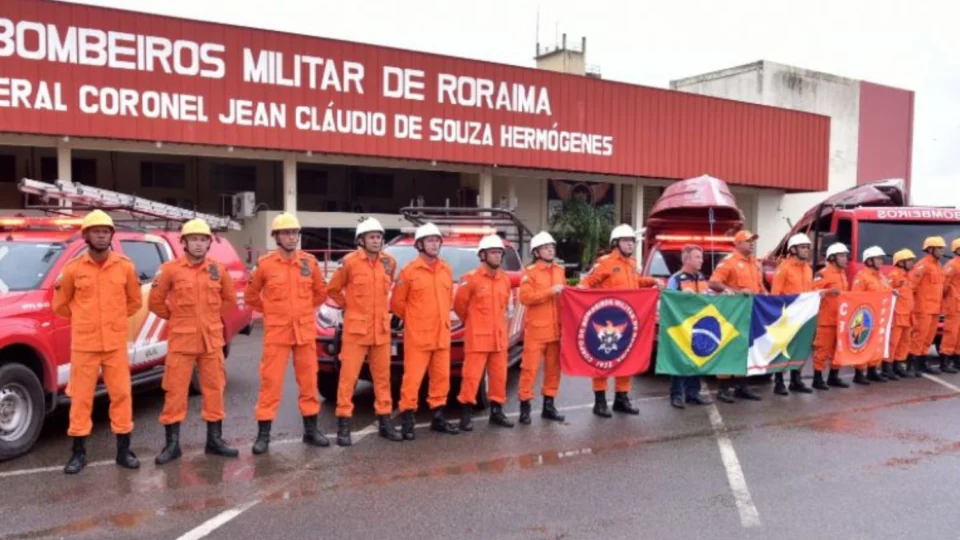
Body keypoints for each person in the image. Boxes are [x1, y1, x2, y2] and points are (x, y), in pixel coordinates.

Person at [53, 210, 143, 474]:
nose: (101, 236)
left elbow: (134, 302)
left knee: (122, 396)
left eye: (106, 232)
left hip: (115, 343)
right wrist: (85, 319)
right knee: (81, 398)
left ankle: (124, 450)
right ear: (86, 236)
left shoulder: (125, 266)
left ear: (111, 236)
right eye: (96, 231)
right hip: (84, 345)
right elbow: (60, 305)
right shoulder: (73, 269)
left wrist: (112, 320)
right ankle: (78, 453)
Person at [149, 219, 239, 465]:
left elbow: (229, 300)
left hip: (211, 341)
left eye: (203, 239)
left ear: (208, 243)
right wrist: (177, 316)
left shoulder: (217, 270)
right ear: (184, 242)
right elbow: (155, 302)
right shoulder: (170, 270)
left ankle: (215, 441)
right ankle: (172, 445)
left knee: (214, 390)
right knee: (175, 392)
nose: (198, 244)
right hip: (182, 341)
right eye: (194, 239)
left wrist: (210, 318)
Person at [246, 213, 330, 454]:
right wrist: (272, 312)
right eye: (286, 233)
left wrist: (303, 312)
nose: (292, 237)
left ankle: (311, 431)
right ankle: (263, 435)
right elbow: (252, 296)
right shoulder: (265, 265)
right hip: (277, 334)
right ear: (276, 237)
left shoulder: (309, 263)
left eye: (294, 233)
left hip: (304, 332)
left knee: (308, 382)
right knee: (270, 384)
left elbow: (320, 293)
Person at [326, 218, 402, 446]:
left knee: (383, 379)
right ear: (361, 240)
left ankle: (385, 421)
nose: (376, 241)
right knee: (348, 379)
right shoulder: (348, 263)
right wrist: (348, 306)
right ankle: (344, 424)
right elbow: (333, 289)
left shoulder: (389, 262)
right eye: (371, 237)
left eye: (379, 237)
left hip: (380, 331)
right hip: (356, 331)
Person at [579, 224, 662, 418]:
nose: (630, 244)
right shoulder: (605, 263)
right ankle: (600, 402)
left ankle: (621, 399)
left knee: (626, 358)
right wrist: (580, 294)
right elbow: (587, 283)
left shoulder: (632, 263)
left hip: (627, 320)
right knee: (603, 360)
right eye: (626, 241)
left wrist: (651, 281)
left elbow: (634, 283)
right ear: (615, 243)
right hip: (607, 322)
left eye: (632, 241)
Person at [391, 223, 459, 439]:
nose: (435, 244)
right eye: (430, 240)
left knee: (441, 379)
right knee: (412, 379)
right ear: (419, 244)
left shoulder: (446, 269)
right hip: (418, 336)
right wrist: (415, 320)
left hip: (441, 334)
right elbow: (397, 304)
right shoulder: (409, 272)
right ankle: (408, 419)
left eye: (437, 240)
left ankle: (438, 417)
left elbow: (448, 300)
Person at [454, 234, 514, 431]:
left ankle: (497, 412)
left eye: (499, 252)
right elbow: (460, 307)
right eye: (493, 252)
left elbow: (505, 306)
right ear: (483, 255)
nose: (497, 256)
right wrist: (473, 324)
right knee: (471, 377)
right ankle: (466, 415)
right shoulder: (470, 279)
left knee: (498, 377)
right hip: (478, 338)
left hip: (499, 338)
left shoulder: (504, 280)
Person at [708, 230, 765, 403]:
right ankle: (723, 389)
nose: (752, 243)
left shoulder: (755, 263)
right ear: (738, 243)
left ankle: (742, 386)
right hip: (732, 314)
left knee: (746, 348)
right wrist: (737, 292)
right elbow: (713, 283)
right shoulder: (729, 262)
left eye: (753, 240)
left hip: (751, 313)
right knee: (729, 349)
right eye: (748, 241)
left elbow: (759, 286)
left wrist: (766, 297)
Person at [517, 231, 566, 424]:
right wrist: (549, 292)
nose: (550, 250)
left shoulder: (560, 271)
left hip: (556, 331)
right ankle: (525, 407)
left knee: (553, 371)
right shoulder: (530, 273)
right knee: (529, 370)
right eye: (546, 247)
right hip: (536, 332)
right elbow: (525, 297)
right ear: (536, 252)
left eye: (552, 247)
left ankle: (549, 406)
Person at [665, 244, 713, 409]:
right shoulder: (676, 279)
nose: (701, 260)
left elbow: (708, 298)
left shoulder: (701, 278)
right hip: (681, 327)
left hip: (698, 326)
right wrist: (680, 295)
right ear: (686, 259)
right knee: (679, 361)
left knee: (696, 359)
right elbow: (667, 298)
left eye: (701, 257)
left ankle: (693, 393)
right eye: (697, 257)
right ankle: (676, 395)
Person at [769, 233, 814, 395]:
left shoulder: (808, 269)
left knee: (801, 348)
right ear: (793, 249)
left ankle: (796, 380)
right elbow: (775, 294)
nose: (806, 251)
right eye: (803, 247)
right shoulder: (784, 268)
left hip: (803, 317)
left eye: (808, 248)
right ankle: (779, 382)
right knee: (783, 348)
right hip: (787, 316)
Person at [850, 246, 895, 384]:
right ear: (869, 260)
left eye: (882, 258)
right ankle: (859, 373)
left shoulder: (881, 277)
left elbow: (886, 291)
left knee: (876, 343)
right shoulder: (861, 277)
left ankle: (872, 370)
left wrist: (893, 293)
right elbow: (856, 296)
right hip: (866, 317)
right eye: (878, 258)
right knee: (863, 343)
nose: (881, 261)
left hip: (879, 316)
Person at [810, 243, 850, 389]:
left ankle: (833, 377)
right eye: (842, 256)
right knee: (822, 350)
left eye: (846, 255)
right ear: (832, 258)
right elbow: (813, 293)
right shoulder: (823, 273)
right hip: (826, 320)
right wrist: (828, 292)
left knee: (838, 350)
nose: (845, 258)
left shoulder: (843, 275)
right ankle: (817, 378)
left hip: (841, 320)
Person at [909, 236, 946, 375]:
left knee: (928, 338)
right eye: (940, 248)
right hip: (923, 308)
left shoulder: (938, 266)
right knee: (919, 336)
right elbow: (912, 286)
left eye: (943, 248)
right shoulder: (922, 265)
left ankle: (922, 363)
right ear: (930, 249)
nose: (942, 251)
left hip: (935, 308)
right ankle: (913, 365)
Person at [888, 249, 916, 378]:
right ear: (900, 262)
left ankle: (898, 365)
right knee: (893, 342)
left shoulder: (908, 276)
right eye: (909, 260)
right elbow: (886, 290)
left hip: (908, 315)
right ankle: (888, 367)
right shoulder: (894, 275)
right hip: (897, 315)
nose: (912, 263)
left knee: (905, 341)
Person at [938, 239, 960, 374]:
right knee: (950, 334)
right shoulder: (952, 265)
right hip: (953, 305)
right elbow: (943, 286)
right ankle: (944, 361)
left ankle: (957, 359)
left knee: (958, 334)